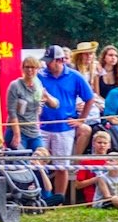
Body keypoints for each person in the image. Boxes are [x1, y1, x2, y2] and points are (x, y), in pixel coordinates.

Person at [37, 44, 95, 202]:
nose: (48, 64)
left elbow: (89, 98)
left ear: (60, 60)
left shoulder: (74, 76)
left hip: (64, 127)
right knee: (38, 162)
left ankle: (59, 198)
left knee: (61, 166)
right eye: (48, 61)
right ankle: (43, 197)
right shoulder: (40, 76)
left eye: (52, 61)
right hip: (43, 125)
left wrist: (81, 119)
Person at [4, 54, 53, 152]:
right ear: (22, 68)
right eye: (27, 67)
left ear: (37, 69)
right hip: (17, 130)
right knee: (23, 161)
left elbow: (54, 105)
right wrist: (17, 135)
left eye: (33, 67)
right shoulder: (15, 85)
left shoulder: (38, 85)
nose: (30, 70)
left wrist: (47, 98)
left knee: (42, 156)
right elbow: (12, 112)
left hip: (34, 131)